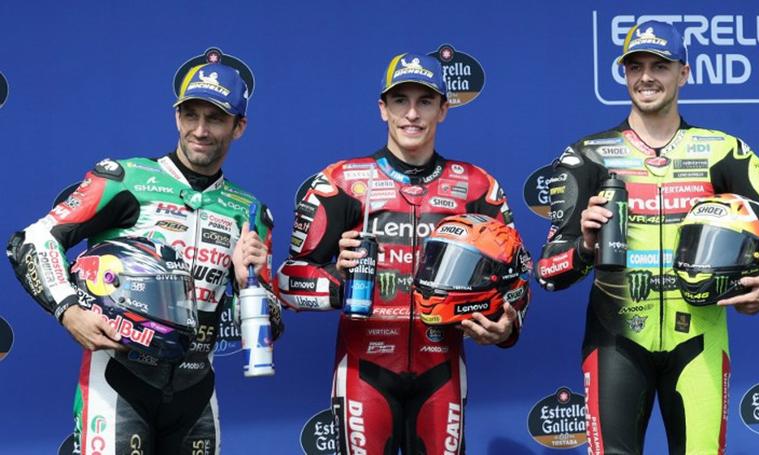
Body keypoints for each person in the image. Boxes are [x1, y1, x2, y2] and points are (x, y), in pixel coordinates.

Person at [535, 20, 759, 454]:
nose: (646, 76)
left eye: (660, 65)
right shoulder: (586, 155)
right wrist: (585, 248)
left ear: (683, 73)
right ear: (625, 73)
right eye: (635, 66)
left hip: (700, 340)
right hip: (616, 339)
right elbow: (548, 272)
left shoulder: (723, 151)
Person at [6, 61, 280, 454]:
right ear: (176, 116)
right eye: (190, 114)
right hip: (118, 380)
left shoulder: (249, 211)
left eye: (215, 118)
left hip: (196, 391)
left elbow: (266, 330)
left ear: (239, 127)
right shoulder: (127, 180)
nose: (200, 130)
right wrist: (68, 309)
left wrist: (246, 284)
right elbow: (32, 240)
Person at [275, 52, 526, 454]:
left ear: (444, 109)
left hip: (441, 367)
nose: (412, 113)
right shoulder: (341, 182)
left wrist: (508, 328)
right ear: (382, 109)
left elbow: (515, 276)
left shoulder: (477, 186)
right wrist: (338, 280)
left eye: (425, 101)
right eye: (400, 101)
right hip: (364, 370)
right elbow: (288, 282)